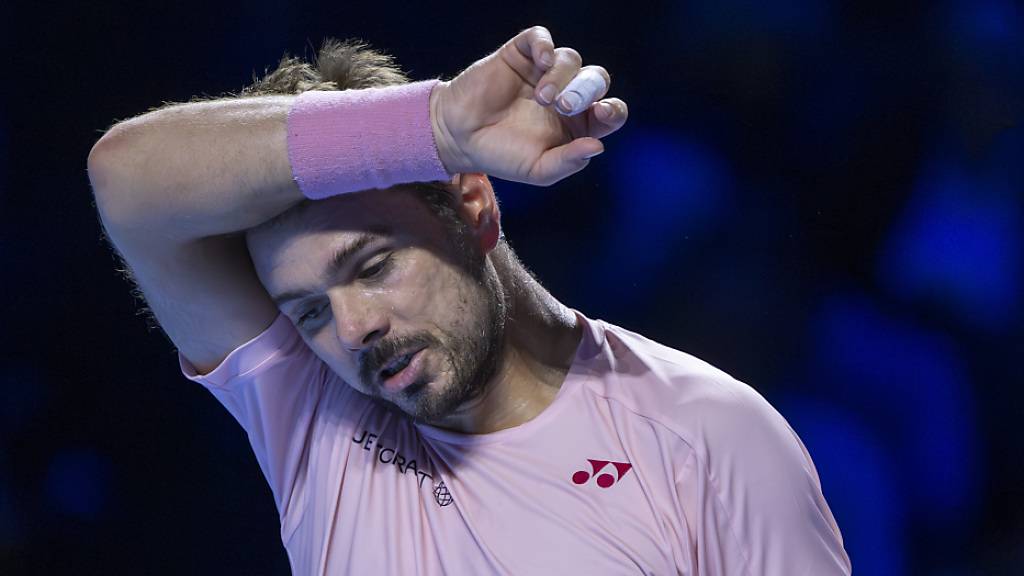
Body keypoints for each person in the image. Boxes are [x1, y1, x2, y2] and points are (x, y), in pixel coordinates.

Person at [88, 26, 851, 575]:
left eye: (374, 265)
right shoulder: (315, 415)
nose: (354, 328)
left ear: (474, 206)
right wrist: (436, 124)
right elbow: (126, 179)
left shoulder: (710, 438)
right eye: (308, 312)